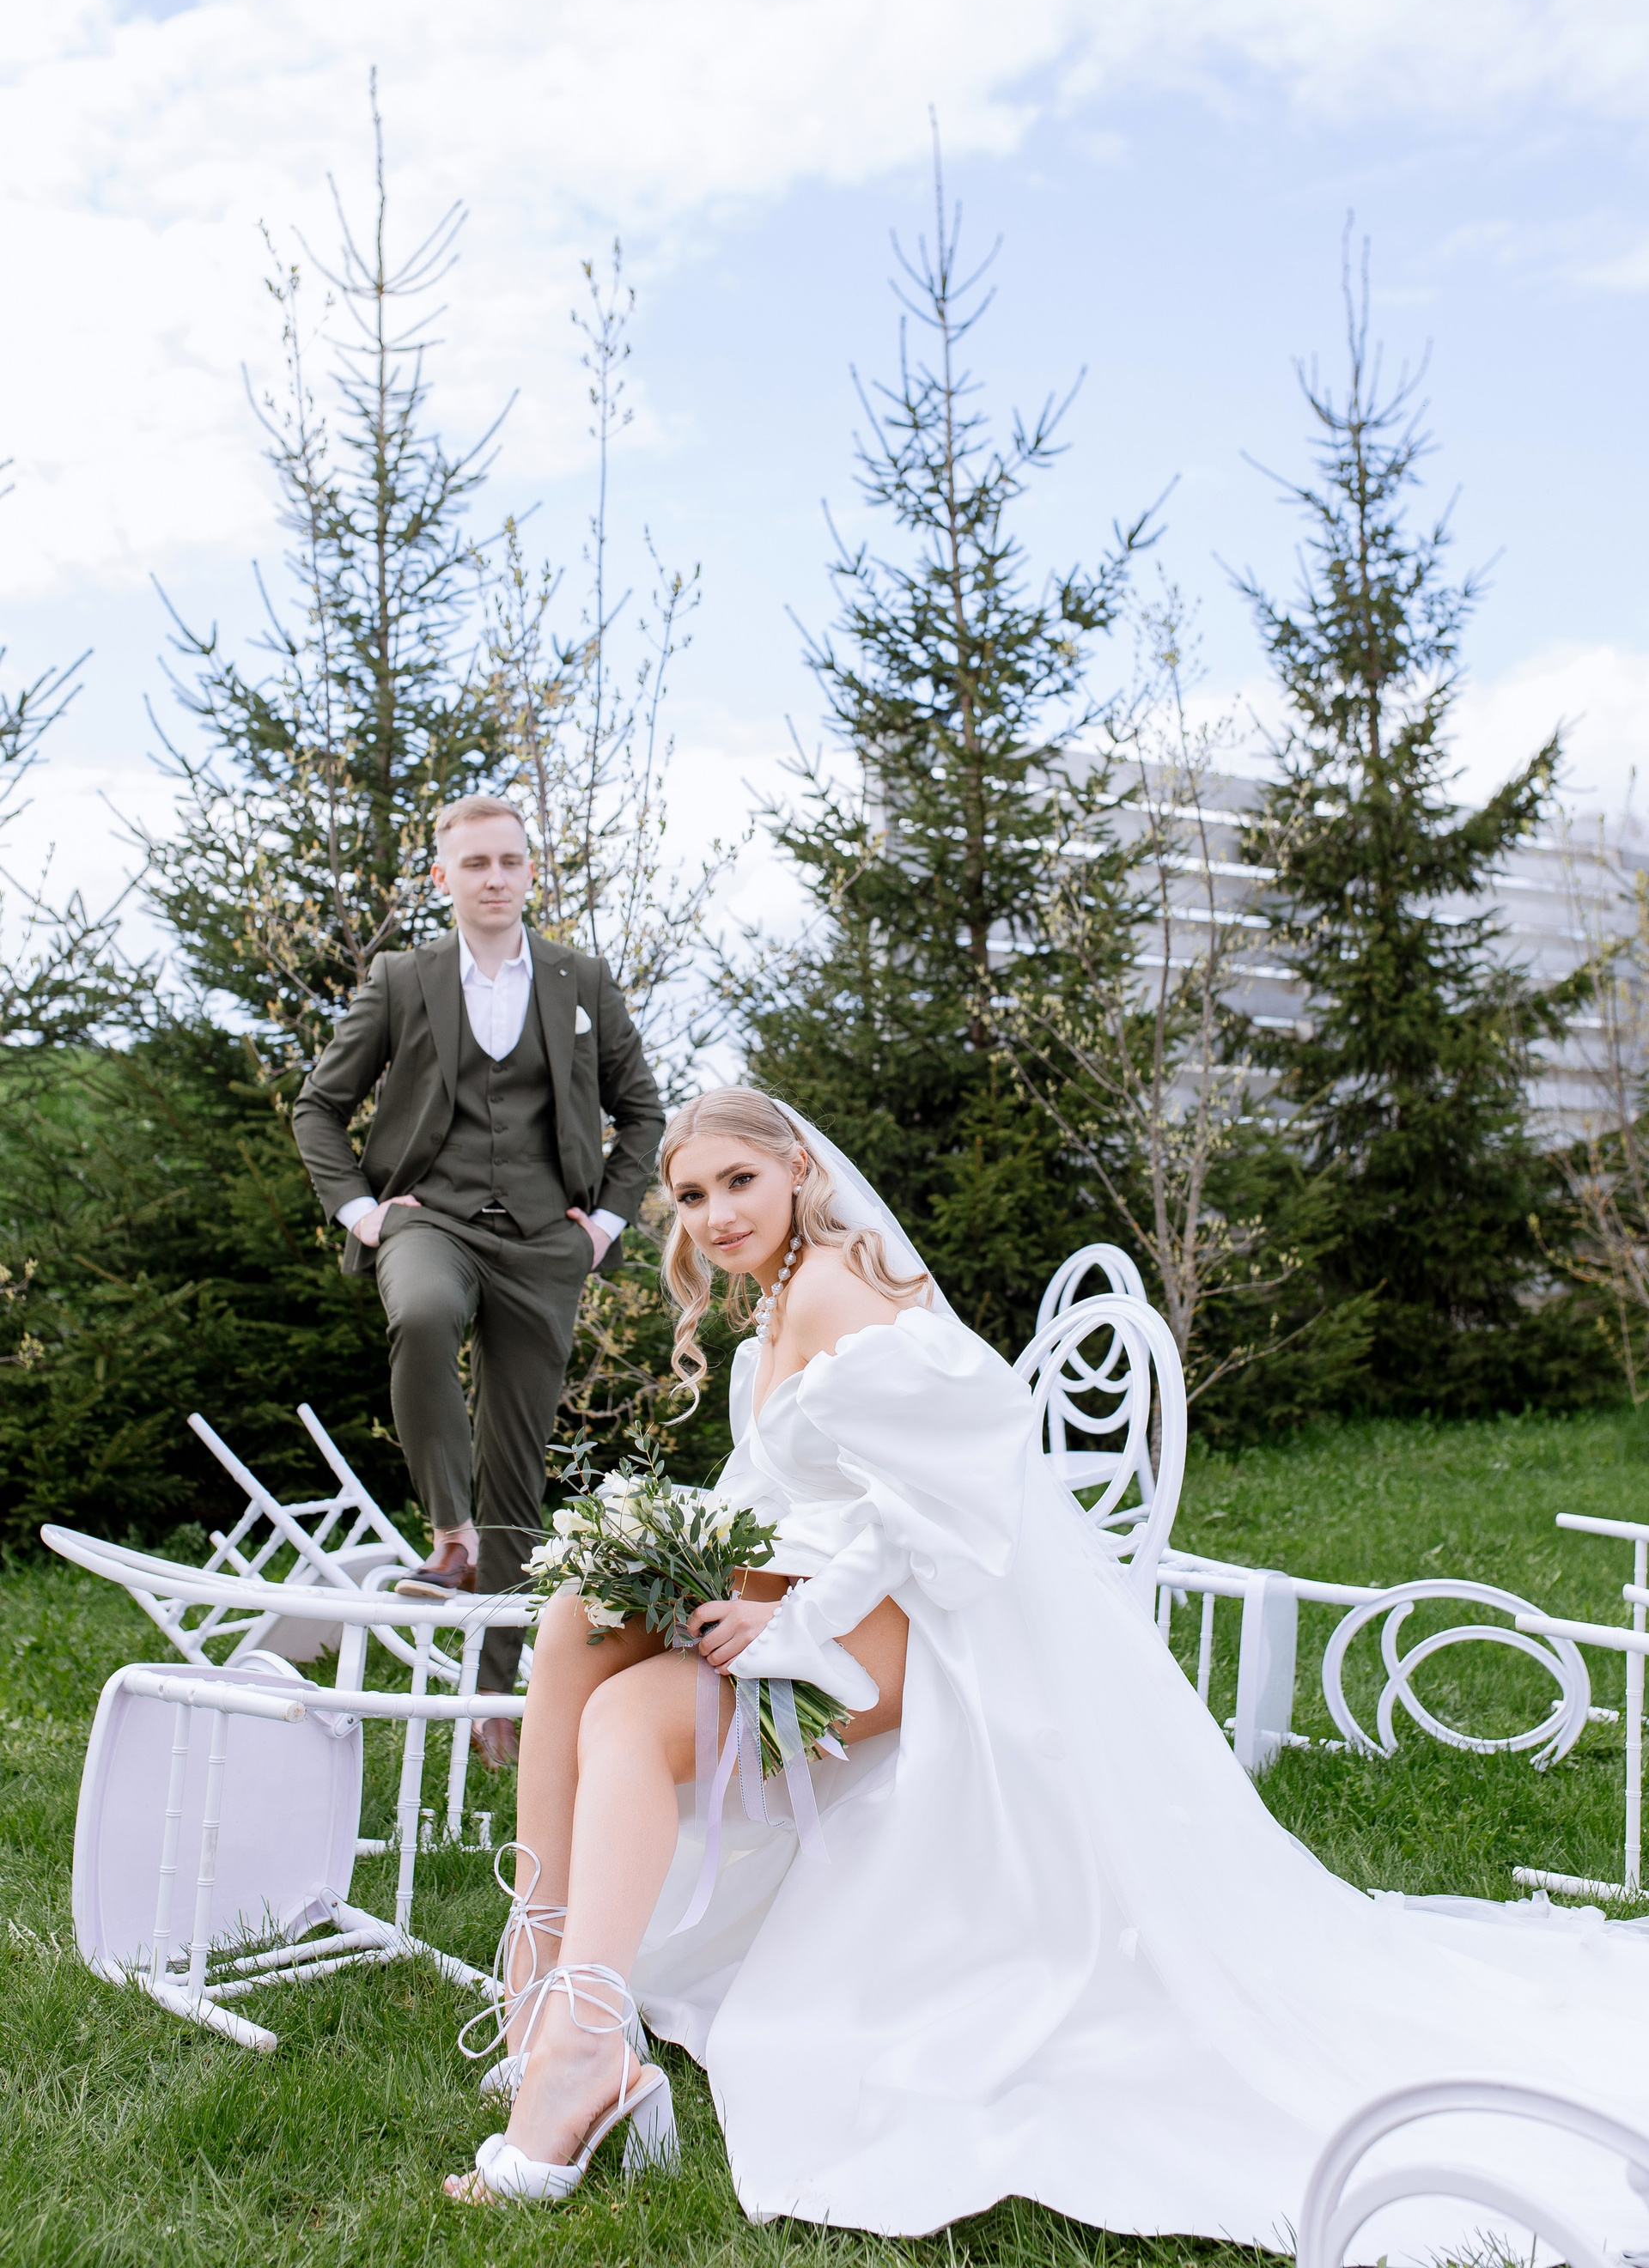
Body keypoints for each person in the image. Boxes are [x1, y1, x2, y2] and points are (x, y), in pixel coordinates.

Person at [444, 1086, 1649, 2254]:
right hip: (837, 1588)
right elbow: (810, 1490)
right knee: (579, 1621)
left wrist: (796, 1621)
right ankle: (542, 1989)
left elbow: (949, 1499)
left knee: (629, 1717)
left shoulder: (835, 1290)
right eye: (694, 1195)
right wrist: (683, 1563)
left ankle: (579, 2050)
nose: (716, 1214)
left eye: (739, 1181)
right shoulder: (784, 1295)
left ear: (799, 1169)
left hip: (917, 1632)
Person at [290, 794, 663, 1767]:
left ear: (530, 871)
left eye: (510, 861)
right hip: (432, 1218)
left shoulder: (581, 980)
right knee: (420, 1313)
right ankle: (448, 1532)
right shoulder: (401, 979)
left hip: (546, 1238)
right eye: (475, 864)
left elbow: (643, 1112)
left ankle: (496, 1699)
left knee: (518, 1464)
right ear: (442, 878)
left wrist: (604, 1226)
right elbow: (318, 1107)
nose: (494, 878)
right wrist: (363, 1212)